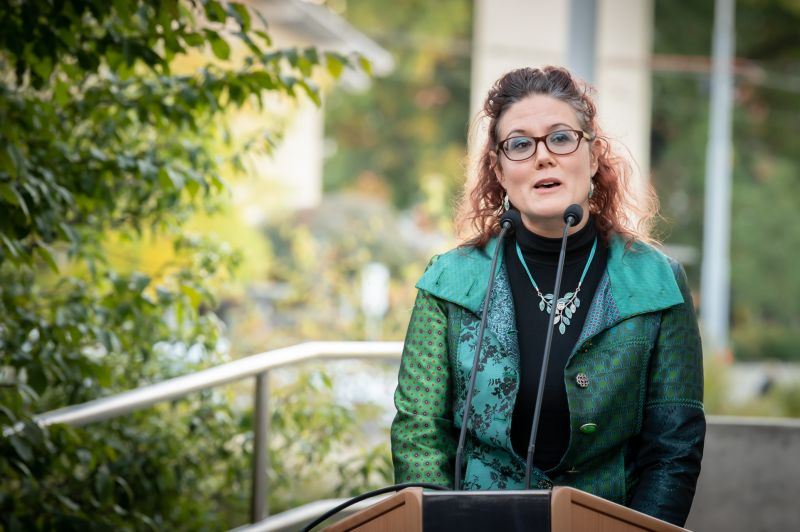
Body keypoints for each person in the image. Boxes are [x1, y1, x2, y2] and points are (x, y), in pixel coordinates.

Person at [390, 66, 705, 527]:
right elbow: (419, 432)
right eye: (519, 144)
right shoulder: (449, 280)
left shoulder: (657, 281)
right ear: (499, 170)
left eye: (560, 138)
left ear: (594, 156)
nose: (543, 157)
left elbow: (674, 448)